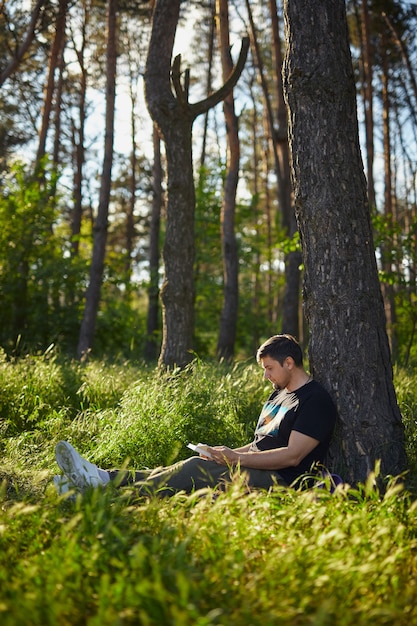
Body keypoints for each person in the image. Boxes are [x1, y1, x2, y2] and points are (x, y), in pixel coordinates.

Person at [54, 334, 337, 497]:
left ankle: (103, 489)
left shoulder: (315, 400)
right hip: (258, 467)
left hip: (284, 480)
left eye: (270, 368)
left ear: (289, 363)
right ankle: (104, 477)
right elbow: (259, 444)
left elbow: (292, 456)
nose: (265, 376)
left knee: (193, 470)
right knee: (194, 462)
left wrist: (235, 459)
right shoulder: (278, 394)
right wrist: (221, 453)